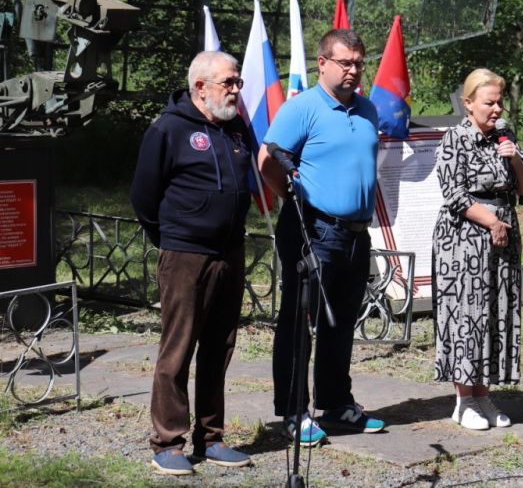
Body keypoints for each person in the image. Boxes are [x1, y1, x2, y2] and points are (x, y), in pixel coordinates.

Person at [258, 29, 385, 447]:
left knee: (340, 322)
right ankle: (294, 411)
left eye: (359, 63)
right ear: (323, 63)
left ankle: (335, 403)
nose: (353, 70)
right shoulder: (303, 108)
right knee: (300, 322)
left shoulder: (367, 110)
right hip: (313, 229)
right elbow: (268, 161)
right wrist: (298, 204)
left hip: (355, 234)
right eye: (345, 62)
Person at [130, 51, 253, 475]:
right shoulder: (169, 129)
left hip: (229, 252)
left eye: (237, 81)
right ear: (200, 87)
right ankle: (167, 441)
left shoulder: (237, 127)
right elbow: (144, 197)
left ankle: (212, 437)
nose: (237, 89)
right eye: (228, 83)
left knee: (219, 348)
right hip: (185, 254)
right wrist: (172, 241)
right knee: (178, 348)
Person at [432, 68, 523, 430]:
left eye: (499, 102)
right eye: (489, 102)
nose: (496, 109)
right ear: (469, 103)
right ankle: (464, 401)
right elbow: (454, 195)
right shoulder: (454, 140)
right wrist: (491, 222)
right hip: (464, 240)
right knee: (467, 315)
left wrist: (514, 158)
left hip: (502, 239)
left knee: (495, 312)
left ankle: (484, 395)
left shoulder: (504, 139)